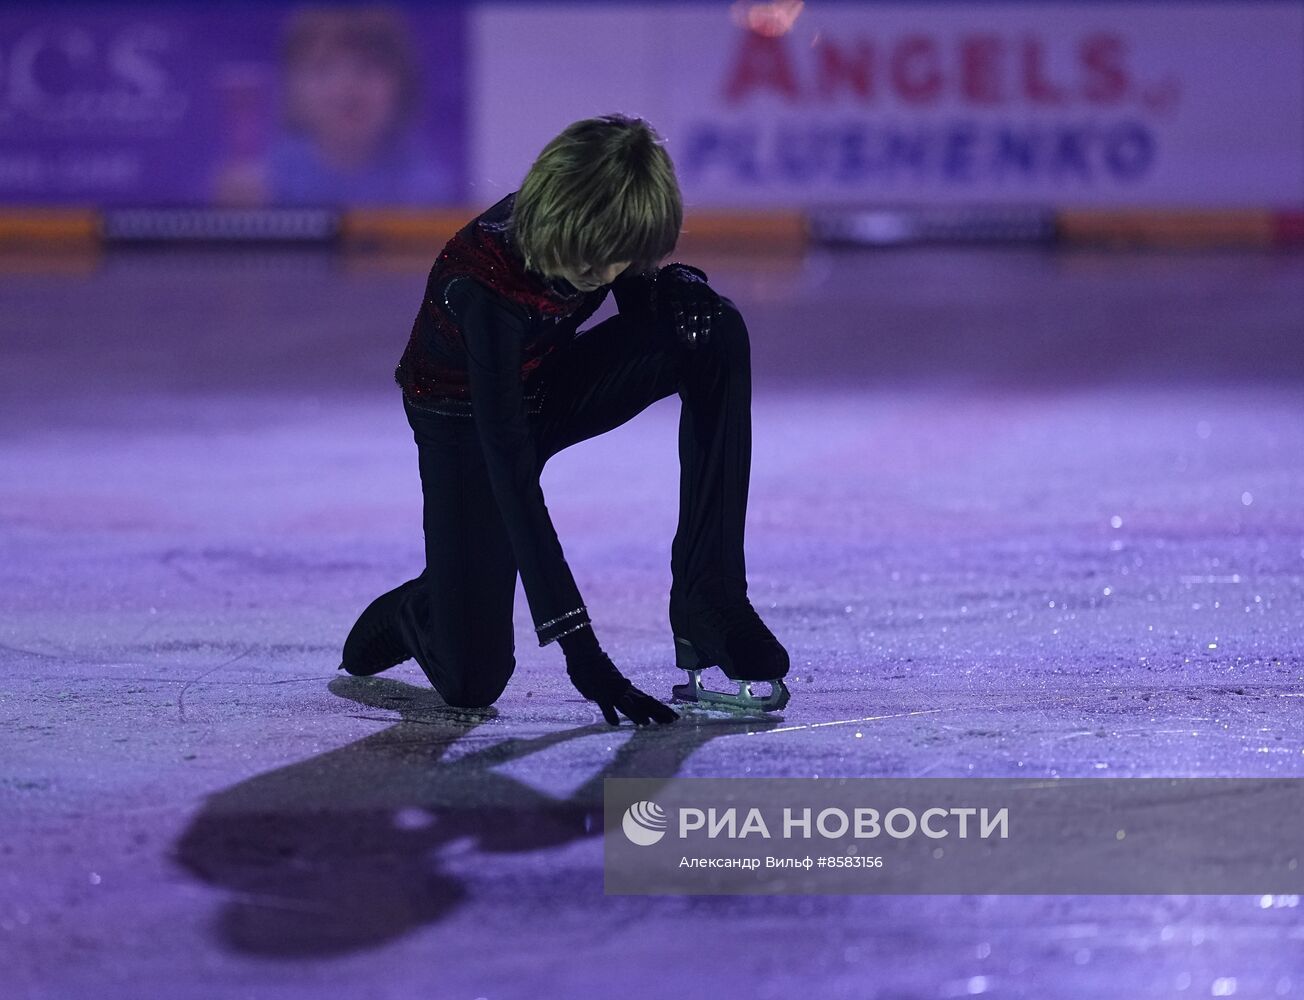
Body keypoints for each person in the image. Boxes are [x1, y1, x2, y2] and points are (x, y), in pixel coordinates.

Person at [339, 114, 789, 724]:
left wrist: (680, 284)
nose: (607, 277)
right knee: (474, 681)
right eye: (595, 267)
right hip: (464, 423)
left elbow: (645, 306)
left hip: (546, 386)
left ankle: (711, 598)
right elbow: (513, 477)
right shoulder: (482, 284)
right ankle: (424, 608)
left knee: (710, 331)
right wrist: (585, 657)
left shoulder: (604, 227)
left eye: (620, 261)